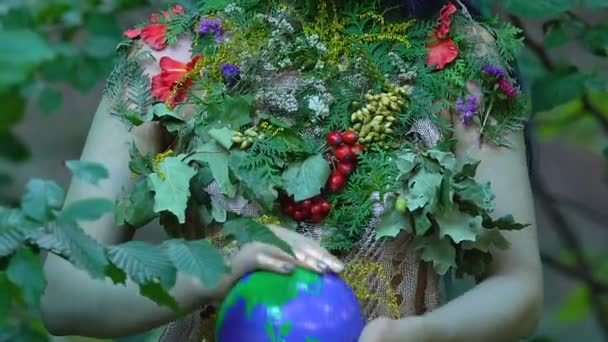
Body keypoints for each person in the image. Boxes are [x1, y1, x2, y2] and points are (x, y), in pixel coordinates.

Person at [41, 1, 543, 341]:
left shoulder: (458, 55)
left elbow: (518, 286)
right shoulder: (172, 55)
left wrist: (425, 334)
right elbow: (62, 293)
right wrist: (204, 273)